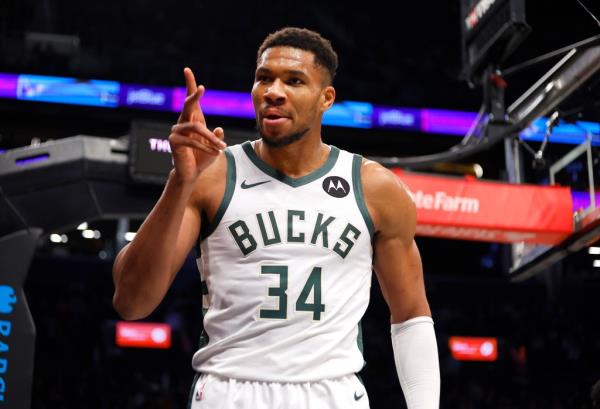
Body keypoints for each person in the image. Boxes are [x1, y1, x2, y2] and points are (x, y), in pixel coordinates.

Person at [112, 27, 440, 409]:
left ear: (326, 98)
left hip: (331, 392)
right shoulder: (212, 175)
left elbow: (411, 316)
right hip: (230, 390)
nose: (273, 91)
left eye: (294, 81)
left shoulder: (375, 188)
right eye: (263, 78)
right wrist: (179, 181)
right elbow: (131, 302)